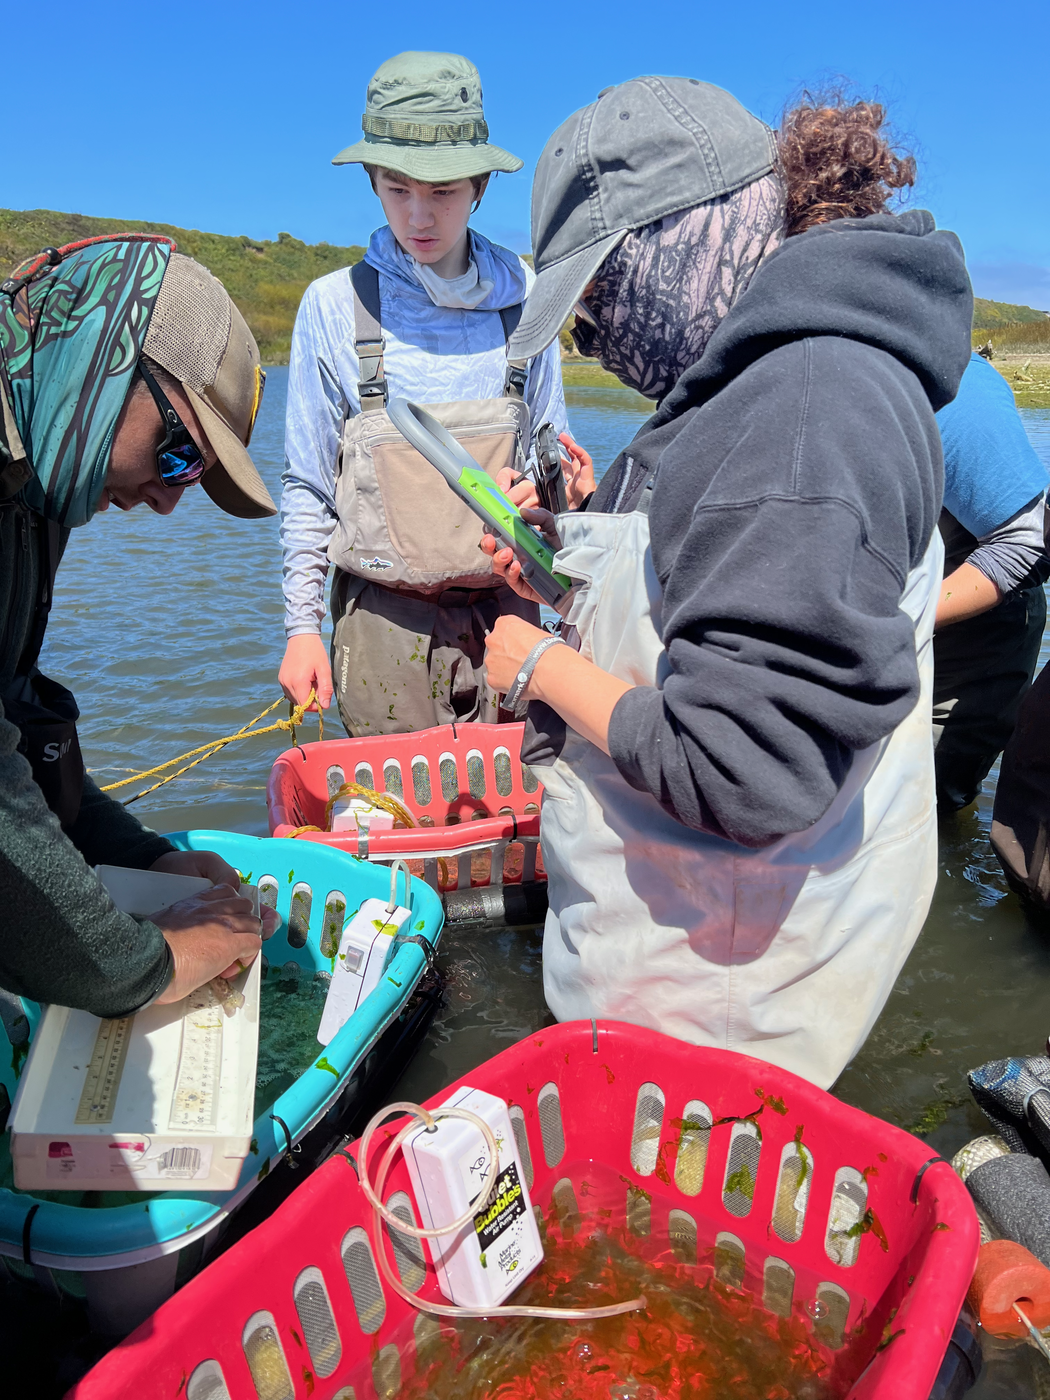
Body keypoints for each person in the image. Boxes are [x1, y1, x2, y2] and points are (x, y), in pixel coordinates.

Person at [482, 84, 972, 1090]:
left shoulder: (806, 405)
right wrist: (564, 553)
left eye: (599, 305)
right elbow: (709, 589)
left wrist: (541, 664)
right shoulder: (761, 374)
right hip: (688, 969)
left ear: (683, 240)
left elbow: (748, 767)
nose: (600, 345)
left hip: (722, 1025)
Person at [0, 235, 279, 1017]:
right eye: (180, 451)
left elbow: (17, 736)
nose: (167, 498)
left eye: (191, 474)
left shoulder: (39, 494)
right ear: (103, 359)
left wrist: (148, 857)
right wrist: (148, 965)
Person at [278, 51, 582, 738]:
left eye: (443, 192)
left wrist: (553, 497)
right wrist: (302, 627)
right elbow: (307, 485)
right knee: (391, 834)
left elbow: (554, 466)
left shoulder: (529, 301)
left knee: (520, 826)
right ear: (372, 181)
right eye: (396, 188)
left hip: (512, 611)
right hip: (383, 626)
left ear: (479, 186)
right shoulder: (333, 306)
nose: (419, 215)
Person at [932, 351, 1048, 811]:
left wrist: (884, 626)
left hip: (974, 631)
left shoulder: (951, 386)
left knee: (931, 799)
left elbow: (1027, 544)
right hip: (862, 619)